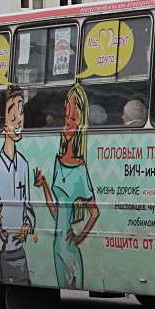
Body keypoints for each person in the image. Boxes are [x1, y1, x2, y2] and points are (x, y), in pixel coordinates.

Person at [34, 83, 99, 289]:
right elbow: (55, 211)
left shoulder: (80, 169)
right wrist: (44, 184)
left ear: (82, 123)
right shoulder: (57, 159)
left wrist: (79, 238)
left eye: (73, 119)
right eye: (66, 117)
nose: (67, 124)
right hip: (56, 245)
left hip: (70, 248)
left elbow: (94, 212)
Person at [0, 87, 35, 284]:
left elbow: (30, 205)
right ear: (2, 121)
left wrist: (27, 225)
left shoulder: (23, 164)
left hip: (21, 252)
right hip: (4, 253)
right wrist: (1, 236)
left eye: (21, 113)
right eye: (12, 114)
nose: (18, 120)